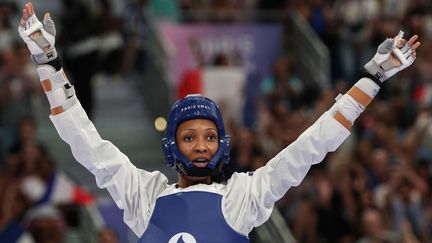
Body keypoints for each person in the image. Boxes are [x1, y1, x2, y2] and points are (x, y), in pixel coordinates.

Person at [17, 2, 420, 242]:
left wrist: (373, 77)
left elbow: (312, 145)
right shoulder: (143, 194)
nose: (201, 145)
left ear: (222, 144)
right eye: (190, 137)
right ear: (172, 145)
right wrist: (47, 62)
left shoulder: (243, 196)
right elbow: (82, 139)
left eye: (210, 136)